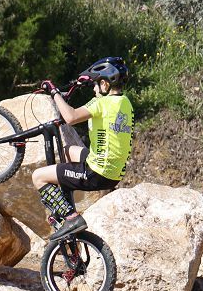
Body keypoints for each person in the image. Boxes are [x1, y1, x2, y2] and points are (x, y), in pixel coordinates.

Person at [31, 56, 134, 241]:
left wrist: (53, 91)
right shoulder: (125, 102)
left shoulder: (101, 103)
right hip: (113, 171)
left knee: (37, 176)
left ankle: (71, 217)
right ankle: (65, 193)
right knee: (68, 150)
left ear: (104, 84)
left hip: (97, 173)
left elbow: (70, 117)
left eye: (95, 85)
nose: (94, 90)